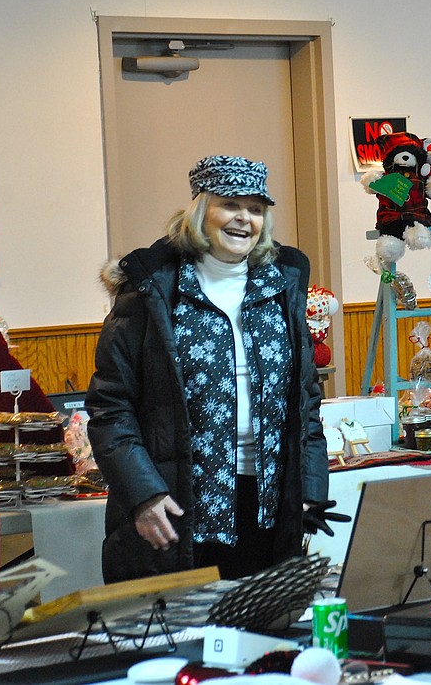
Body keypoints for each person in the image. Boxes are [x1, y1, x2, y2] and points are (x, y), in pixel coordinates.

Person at [87, 155, 342, 582]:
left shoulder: (283, 287)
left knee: (262, 637)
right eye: (230, 205)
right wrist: (143, 496)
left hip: (268, 506)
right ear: (201, 211)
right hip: (176, 506)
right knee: (183, 641)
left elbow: (306, 403)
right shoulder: (151, 290)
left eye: (256, 209)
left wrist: (310, 489)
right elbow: (111, 407)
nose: (244, 219)